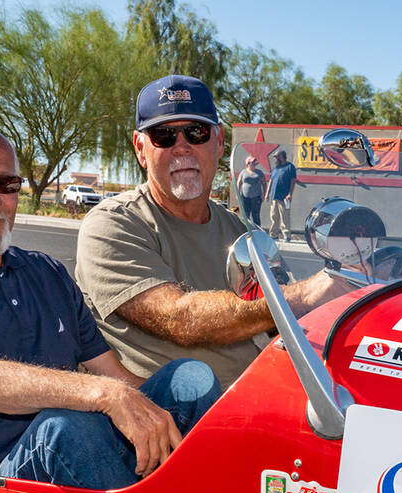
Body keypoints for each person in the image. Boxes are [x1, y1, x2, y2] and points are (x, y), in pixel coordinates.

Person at [0, 120, 220, 490]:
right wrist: (107, 395)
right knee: (66, 428)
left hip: (85, 447)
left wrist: (160, 410)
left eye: (6, 184)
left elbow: (115, 376)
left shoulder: (46, 272)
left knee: (191, 378)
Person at [74, 74, 348, 389]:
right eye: (164, 136)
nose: (182, 148)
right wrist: (304, 295)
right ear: (140, 149)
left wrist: (350, 285)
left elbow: (288, 319)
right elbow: (178, 319)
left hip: (261, 393)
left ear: (218, 143)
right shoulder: (113, 224)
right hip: (170, 410)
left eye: (196, 132)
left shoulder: (241, 230)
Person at [267, 148, 297, 241]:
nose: (275, 159)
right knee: (274, 216)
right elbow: (271, 181)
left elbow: (293, 180)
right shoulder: (275, 169)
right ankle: (273, 234)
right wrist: (267, 194)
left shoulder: (290, 167)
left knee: (284, 216)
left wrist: (290, 193)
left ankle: (286, 235)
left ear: (282, 156)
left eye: (276, 157)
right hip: (274, 196)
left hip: (284, 197)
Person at [236, 156, 265, 226]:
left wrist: (264, 193)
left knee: (256, 215)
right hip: (245, 197)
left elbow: (264, 183)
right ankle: (247, 229)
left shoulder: (259, 172)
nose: (254, 163)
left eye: (254, 162)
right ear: (248, 163)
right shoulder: (243, 172)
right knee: (246, 215)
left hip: (256, 197)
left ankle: (257, 230)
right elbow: (239, 183)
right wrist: (237, 193)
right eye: (252, 162)